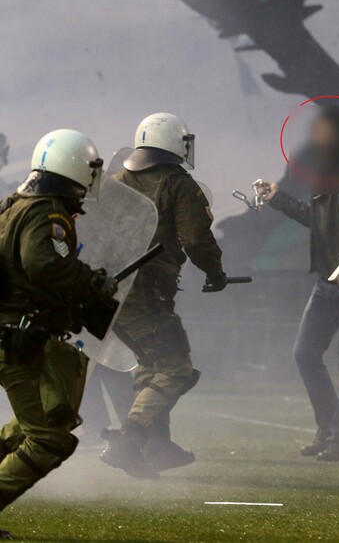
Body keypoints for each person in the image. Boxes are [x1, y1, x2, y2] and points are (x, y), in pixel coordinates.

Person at [0, 130, 117, 538]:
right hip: (16, 337)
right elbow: (43, 264)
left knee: (42, 420)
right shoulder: (47, 211)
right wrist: (90, 283)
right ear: (75, 168)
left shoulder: (17, 204)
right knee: (49, 439)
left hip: (16, 333)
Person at [100, 112, 226, 479]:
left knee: (149, 367)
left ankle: (156, 449)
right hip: (149, 292)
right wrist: (215, 273)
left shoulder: (117, 180)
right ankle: (128, 441)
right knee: (175, 368)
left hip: (111, 293)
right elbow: (197, 239)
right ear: (173, 141)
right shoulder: (178, 183)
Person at [256, 106, 339, 461]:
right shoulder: (325, 174)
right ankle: (328, 428)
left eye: (323, 130)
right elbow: (317, 221)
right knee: (305, 354)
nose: (315, 137)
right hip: (327, 282)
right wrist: (277, 197)